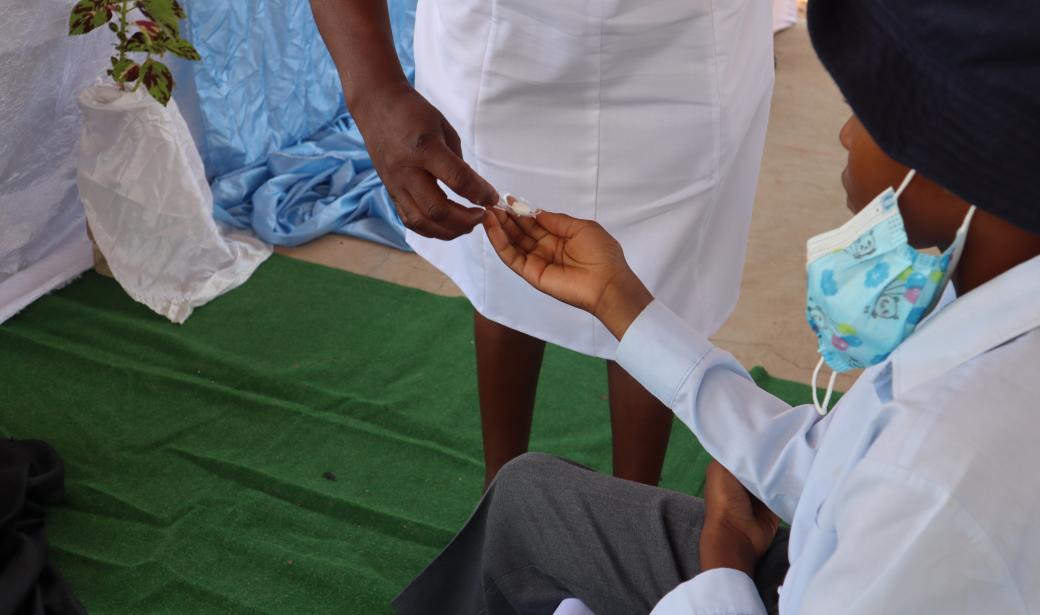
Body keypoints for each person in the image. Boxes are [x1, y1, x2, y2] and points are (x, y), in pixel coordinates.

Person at [391, 1, 1040, 613]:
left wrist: (722, 565)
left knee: (536, 538)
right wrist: (623, 304)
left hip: (777, 578)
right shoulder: (982, 339)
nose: (844, 132)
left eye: (862, 112)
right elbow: (836, 461)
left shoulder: (938, 479)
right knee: (525, 496)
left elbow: (891, 485)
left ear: (964, 173)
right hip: (814, 546)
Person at [310, 0, 775, 487]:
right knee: (503, 242)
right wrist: (373, 88)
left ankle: (633, 517)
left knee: (661, 277)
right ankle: (500, 499)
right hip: (503, 36)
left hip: (689, 43)